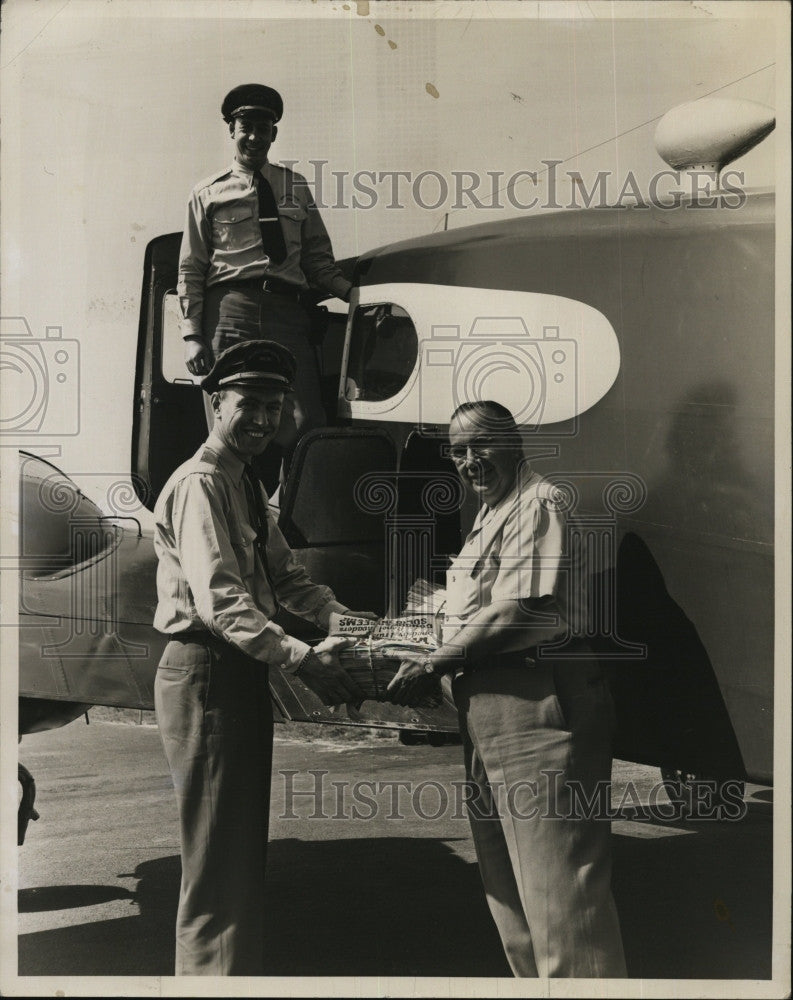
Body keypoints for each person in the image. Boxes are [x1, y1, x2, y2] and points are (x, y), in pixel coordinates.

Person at [152, 339, 372, 975]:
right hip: (205, 670)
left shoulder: (241, 481)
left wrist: (340, 616)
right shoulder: (200, 485)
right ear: (216, 402)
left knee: (239, 854)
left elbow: (286, 575)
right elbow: (223, 602)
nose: (262, 420)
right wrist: (304, 657)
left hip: (236, 670)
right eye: (248, 404)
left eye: (274, 407)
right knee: (217, 864)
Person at [387, 400, 626, 978]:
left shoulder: (536, 504)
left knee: (562, 895)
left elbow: (517, 611)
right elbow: (470, 610)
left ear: (514, 441)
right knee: (509, 893)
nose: (470, 460)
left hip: (540, 702)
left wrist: (433, 661)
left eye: (482, 444)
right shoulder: (491, 513)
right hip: (489, 708)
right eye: (459, 450)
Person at [177, 83, 353, 488]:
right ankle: (232, 518)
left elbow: (317, 261)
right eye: (246, 126)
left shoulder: (296, 187)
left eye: (264, 127)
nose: (254, 136)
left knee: (306, 422)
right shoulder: (207, 193)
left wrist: (355, 296)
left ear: (274, 133)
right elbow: (191, 268)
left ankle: (285, 523)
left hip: (288, 314)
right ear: (232, 130)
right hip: (231, 311)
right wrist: (192, 335)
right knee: (231, 422)